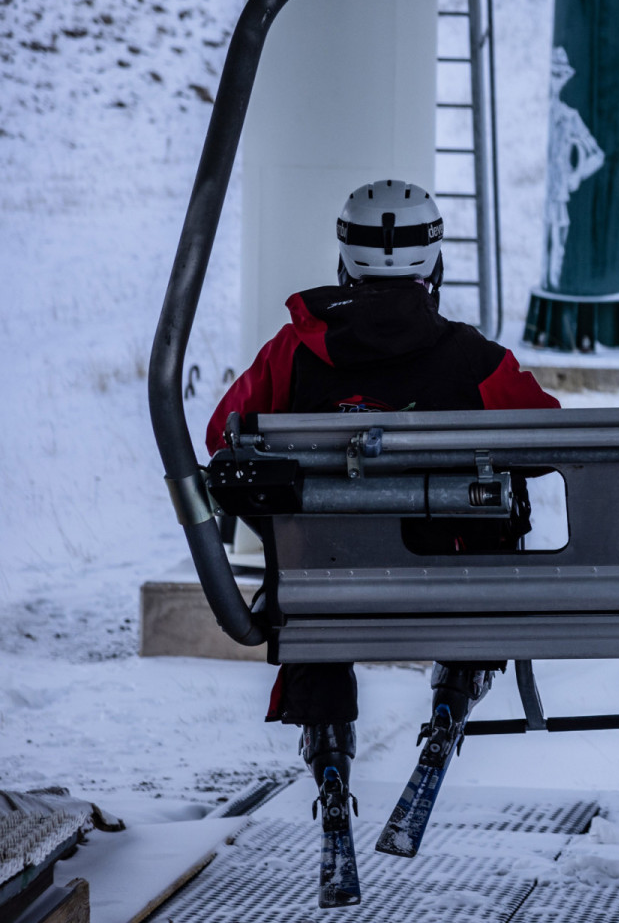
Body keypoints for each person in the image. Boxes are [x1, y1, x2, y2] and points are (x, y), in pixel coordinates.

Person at [206, 181, 558, 902]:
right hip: (450, 581)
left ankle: (331, 766)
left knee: (313, 593)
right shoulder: (471, 359)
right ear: (434, 260)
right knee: (484, 534)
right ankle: (449, 708)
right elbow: (546, 438)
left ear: (345, 259)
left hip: (326, 592)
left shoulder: (293, 352)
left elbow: (222, 436)